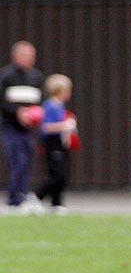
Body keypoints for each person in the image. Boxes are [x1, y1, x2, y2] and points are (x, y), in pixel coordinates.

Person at [0, 40, 45, 211]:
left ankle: (23, 194)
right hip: (11, 126)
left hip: (28, 128)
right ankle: (15, 198)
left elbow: (39, 101)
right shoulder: (6, 75)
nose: (29, 59)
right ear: (15, 56)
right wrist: (18, 112)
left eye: (31, 56)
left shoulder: (36, 77)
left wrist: (34, 114)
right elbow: (2, 101)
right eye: (25, 55)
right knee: (16, 160)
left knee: (27, 159)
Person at [35, 73, 78, 214]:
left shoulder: (60, 106)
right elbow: (46, 127)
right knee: (57, 174)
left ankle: (56, 203)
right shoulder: (50, 106)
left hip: (60, 144)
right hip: (52, 144)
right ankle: (36, 196)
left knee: (63, 174)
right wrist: (64, 125)